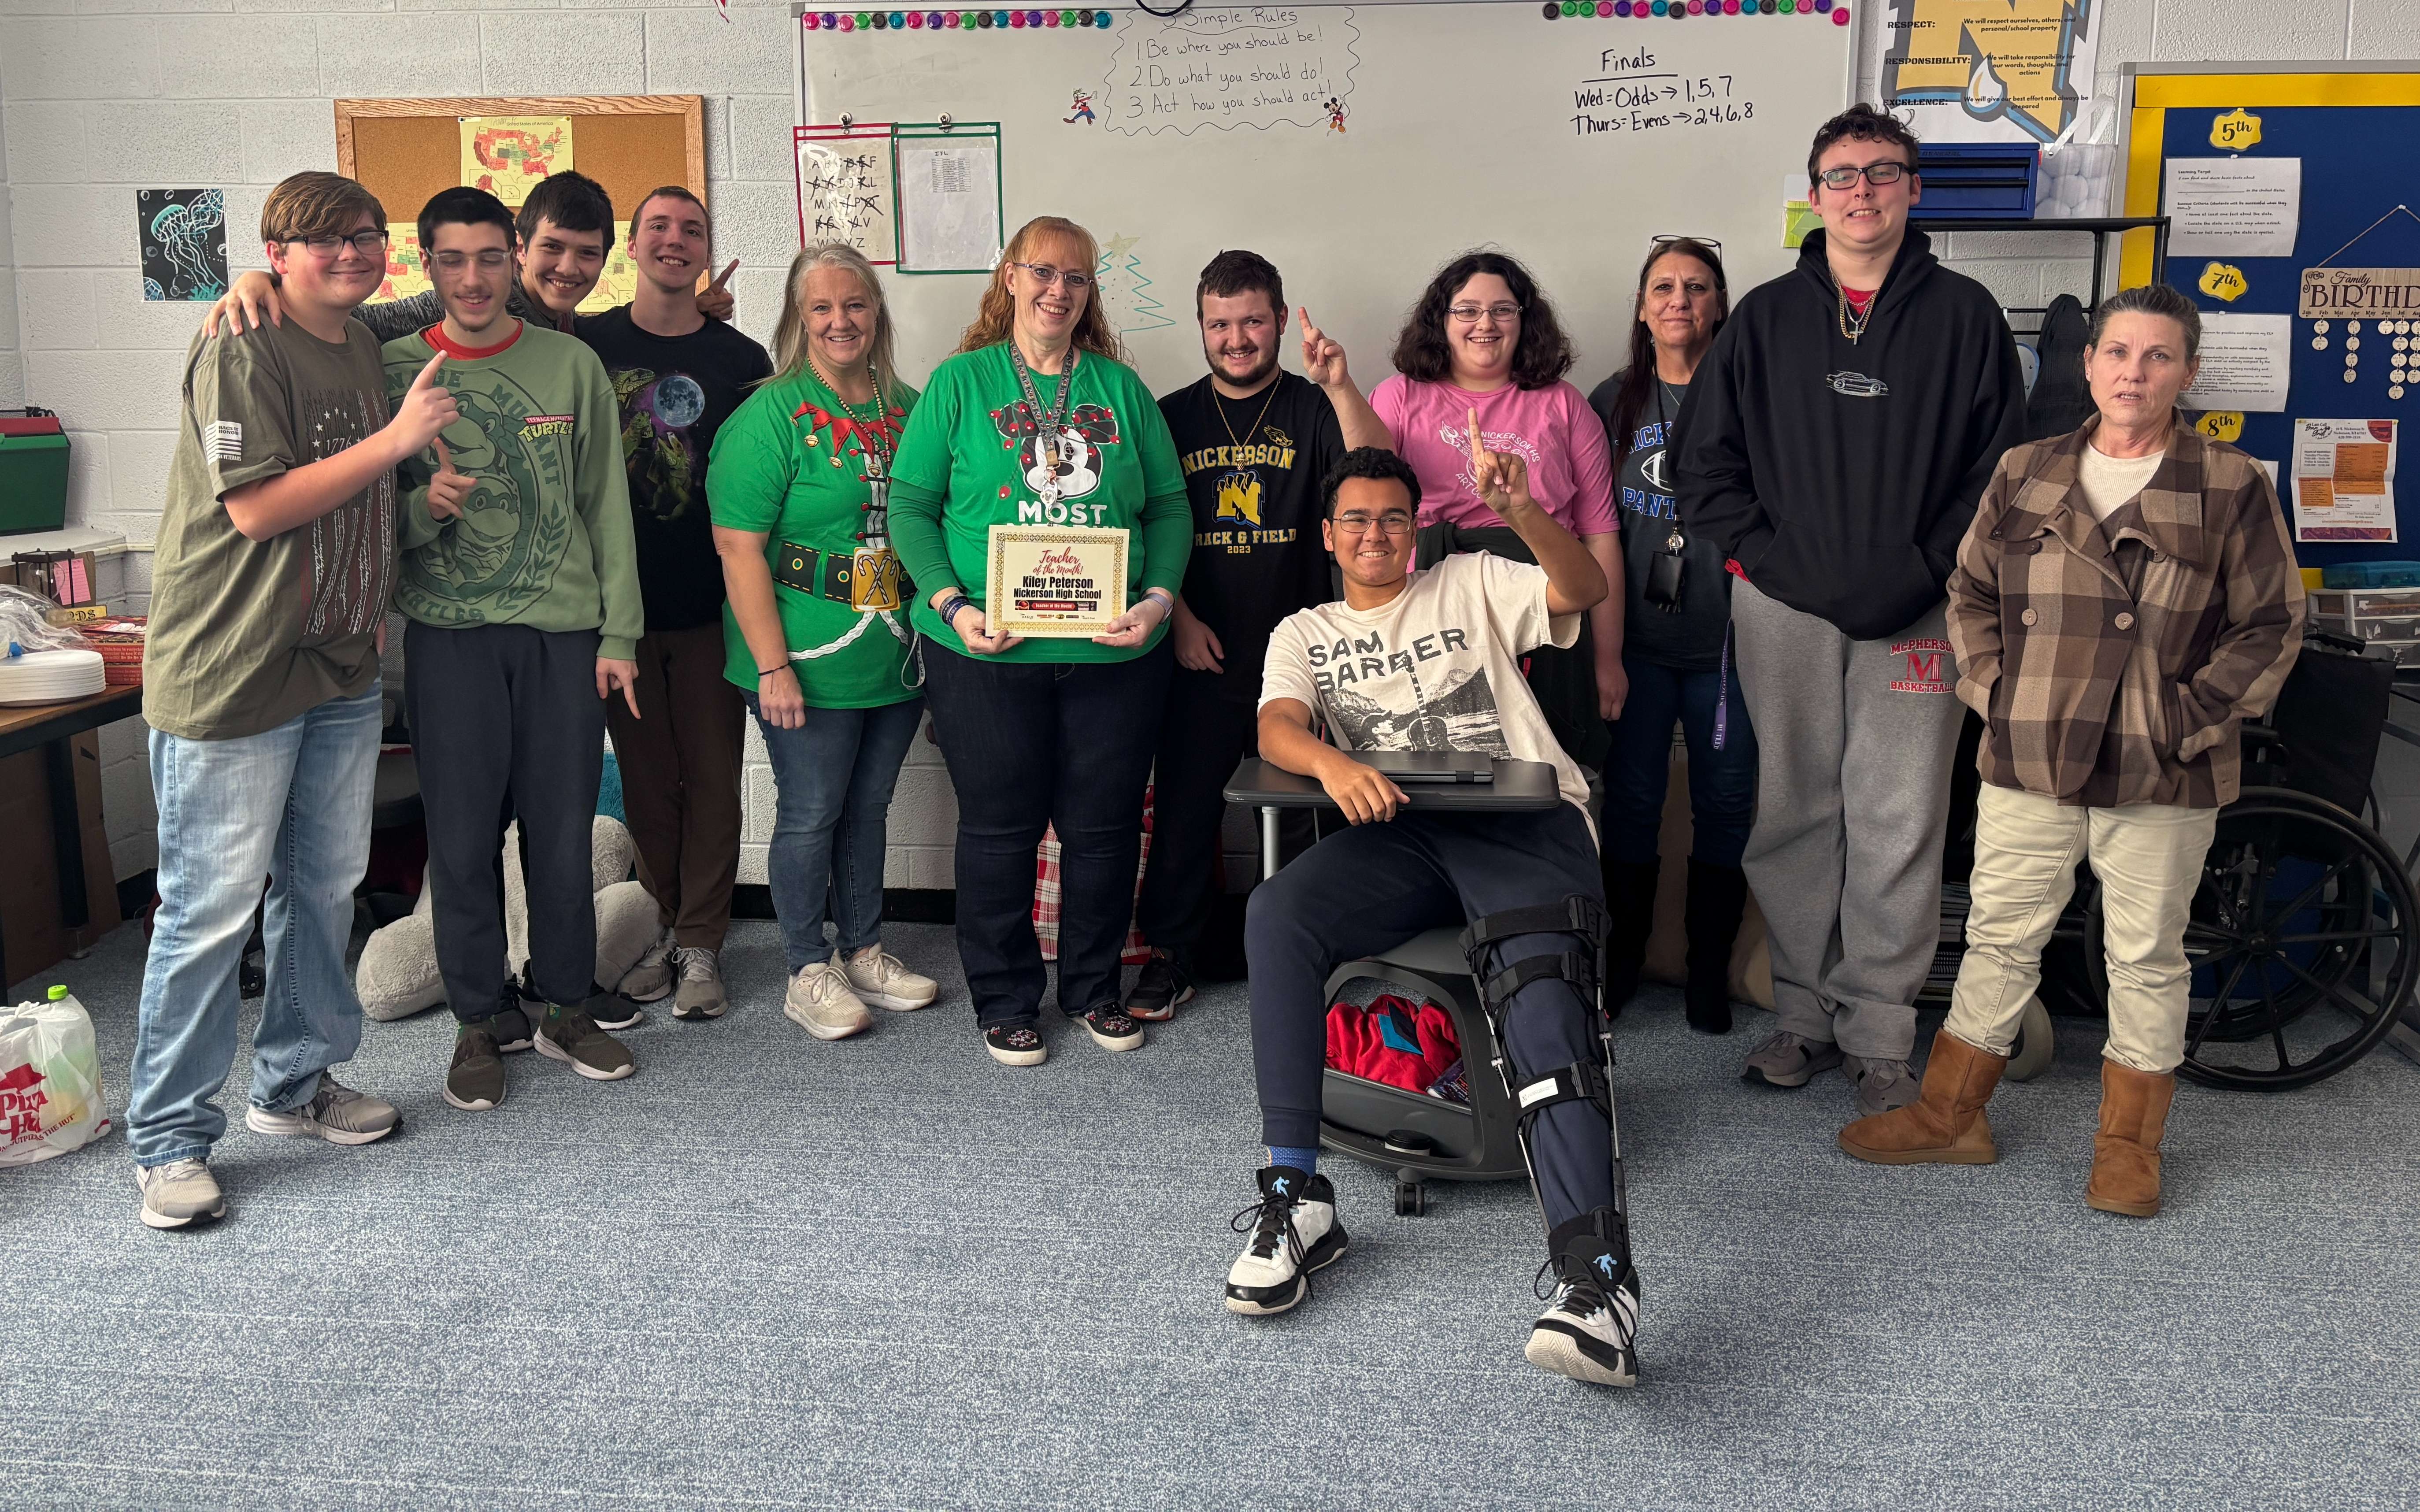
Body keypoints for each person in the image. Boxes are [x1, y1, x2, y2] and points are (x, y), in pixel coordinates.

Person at [1840, 284, 2305, 1217]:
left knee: (2143, 956)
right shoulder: (2027, 469)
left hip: (2161, 762)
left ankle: (2129, 1147)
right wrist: (1996, 693)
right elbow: (1968, 593)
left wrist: (2187, 716)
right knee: (1998, 938)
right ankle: (1948, 1116)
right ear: (2088, 364)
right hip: (2031, 750)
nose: (2133, 372)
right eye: (2117, 353)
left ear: (2187, 371)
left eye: (2157, 356)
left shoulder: (2229, 481)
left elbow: (2269, 625)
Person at [1230, 442, 1639, 1387]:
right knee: (1277, 915)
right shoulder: (1306, 628)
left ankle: (1598, 1281)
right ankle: (1296, 1196)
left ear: (1415, 529)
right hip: (1403, 832)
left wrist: (1528, 510)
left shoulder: (1469, 579)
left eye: (1393, 518)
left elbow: (1578, 588)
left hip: (1521, 823)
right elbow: (1275, 728)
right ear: (1328, 535)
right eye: (1356, 520)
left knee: (1538, 993)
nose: (1376, 534)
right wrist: (1334, 766)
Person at [1676, 103, 2026, 1115]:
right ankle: (1797, 1018)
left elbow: (1996, 472)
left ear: (1911, 190)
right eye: (1840, 174)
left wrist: (1925, 565)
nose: (1861, 190)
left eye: (1881, 172)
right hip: (1782, 608)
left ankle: (1878, 1031)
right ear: (1814, 193)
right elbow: (1705, 467)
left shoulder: (1965, 317)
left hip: (1919, 610)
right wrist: (1770, 558)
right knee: (1790, 809)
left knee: (1900, 816)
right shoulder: (1761, 322)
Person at [125, 171, 457, 1229]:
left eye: (368, 235)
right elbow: (259, 508)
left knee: (321, 891)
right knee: (211, 911)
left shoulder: (360, 333)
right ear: (277, 252)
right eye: (325, 242)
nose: (353, 254)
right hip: (235, 672)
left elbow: (449, 299)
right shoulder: (240, 345)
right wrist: (397, 445)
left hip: (338, 670)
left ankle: (294, 1086)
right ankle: (170, 1139)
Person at [888, 215, 1191, 1067]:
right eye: (1044, 272)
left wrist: (1159, 601)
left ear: (1090, 294)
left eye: (1078, 278)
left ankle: (1092, 990)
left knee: (1100, 830)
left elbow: (1167, 506)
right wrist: (950, 605)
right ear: (1011, 278)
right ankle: (1005, 999)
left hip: (1114, 648)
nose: (1060, 290)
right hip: (983, 645)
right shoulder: (959, 383)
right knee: (999, 826)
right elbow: (911, 508)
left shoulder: (1120, 391)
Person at [382, 186, 643, 1113]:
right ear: (428, 268)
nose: (473, 277)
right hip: (448, 638)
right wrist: (421, 510)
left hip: (561, 636)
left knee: (561, 831)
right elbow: (364, 514)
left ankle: (566, 1006)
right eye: (451, 260)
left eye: (489, 257)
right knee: (458, 840)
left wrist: (620, 634)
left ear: (516, 257)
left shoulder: (570, 366)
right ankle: (475, 1017)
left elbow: (605, 507)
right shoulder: (390, 370)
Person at [1123, 249, 1389, 1020]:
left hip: (1300, 652)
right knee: (1184, 807)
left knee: (1314, 807)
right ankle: (1172, 956)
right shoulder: (1169, 415)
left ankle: (1315, 951)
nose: (1235, 338)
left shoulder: (1312, 407)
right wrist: (1174, 613)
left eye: (1250, 321)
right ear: (1200, 327)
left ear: (1278, 318)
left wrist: (1340, 383)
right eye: (1219, 324)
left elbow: (1378, 473)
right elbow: (1137, 526)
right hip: (1200, 646)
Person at [709, 243, 940, 1039]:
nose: (840, 320)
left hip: (895, 648)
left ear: (876, 312)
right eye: (821, 308)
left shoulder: (911, 407)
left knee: (869, 807)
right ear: (796, 319)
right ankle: (805, 965)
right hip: (799, 656)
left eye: (855, 305)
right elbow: (739, 547)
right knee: (811, 811)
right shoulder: (766, 417)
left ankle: (864, 947)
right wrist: (770, 665)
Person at [575, 187, 773, 1022]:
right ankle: (660, 922)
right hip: (616, 610)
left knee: (713, 780)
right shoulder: (584, 342)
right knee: (649, 784)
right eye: (657, 226)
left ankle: (702, 943)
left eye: (691, 229)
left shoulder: (741, 356)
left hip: (712, 606)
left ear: (705, 252)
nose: (674, 239)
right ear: (630, 246)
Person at [1361, 250, 1625, 764]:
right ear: (1442, 320)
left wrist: (1609, 659)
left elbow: (1600, 537)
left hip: (1548, 610)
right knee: (1441, 760)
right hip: (1431, 612)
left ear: (1525, 321)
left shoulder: (1566, 405)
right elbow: (1367, 490)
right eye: (1467, 310)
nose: (1486, 323)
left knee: (1546, 767)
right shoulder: (1398, 397)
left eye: (1503, 310)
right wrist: (1338, 387)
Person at [1588, 237, 1754, 1035]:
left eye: (1695, 287)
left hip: (1729, 651)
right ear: (1642, 305)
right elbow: (1590, 531)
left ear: (1717, 303)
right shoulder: (1610, 400)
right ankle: (1620, 965)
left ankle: (1705, 972)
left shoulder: (1753, 398)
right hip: (1639, 651)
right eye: (1662, 286)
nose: (1678, 300)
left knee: (1726, 805)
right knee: (1632, 805)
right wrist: (1602, 653)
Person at [205, 171, 738, 342]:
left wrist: (695, 309)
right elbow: (356, 322)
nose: (569, 269)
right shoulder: (465, 302)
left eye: (587, 255)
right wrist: (265, 282)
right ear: (519, 250)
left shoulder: (571, 328)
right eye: (552, 249)